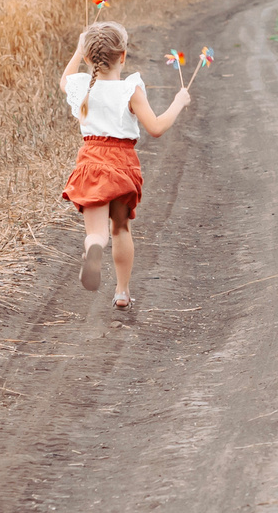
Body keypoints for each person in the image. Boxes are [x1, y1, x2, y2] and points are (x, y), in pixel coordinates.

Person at [59, 21, 190, 309]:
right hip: (122, 164)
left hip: (91, 161)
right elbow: (155, 127)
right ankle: (122, 292)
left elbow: (64, 79)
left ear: (87, 57)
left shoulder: (81, 85)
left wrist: (79, 50)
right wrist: (179, 101)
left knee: (97, 233)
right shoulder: (130, 89)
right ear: (123, 56)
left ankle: (93, 247)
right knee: (121, 228)